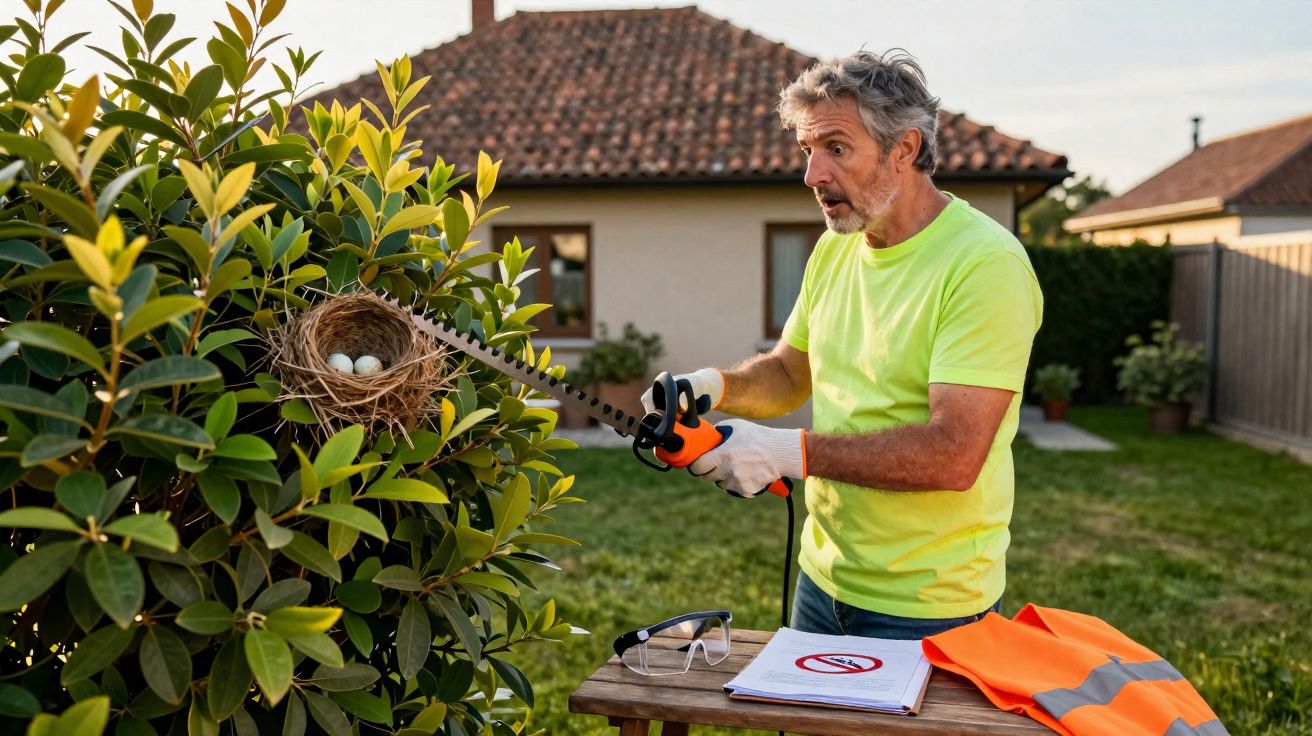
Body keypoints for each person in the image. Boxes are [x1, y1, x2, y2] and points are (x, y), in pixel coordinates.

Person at [641, 50, 1043, 640]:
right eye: (807, 150)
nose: (813, 175)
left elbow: (955, 453)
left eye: (836, 148)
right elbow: (788, 374)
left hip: (931, 603)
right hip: (822, 580)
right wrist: (711, 387)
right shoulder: (836, 247)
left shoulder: (985, 264)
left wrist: (787, 453)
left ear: (904, 149)